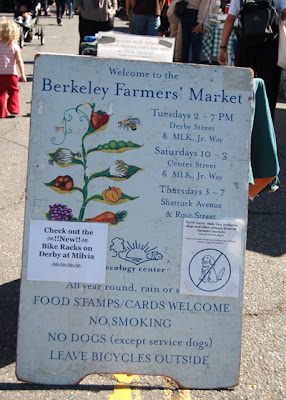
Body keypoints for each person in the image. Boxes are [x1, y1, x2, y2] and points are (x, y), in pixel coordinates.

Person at [218, 0, 286, 119]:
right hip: (270, 46)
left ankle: (243, 127)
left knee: (243, 90)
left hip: (245, 47)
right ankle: (266, 131)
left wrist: (222, 47)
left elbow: (230, 20)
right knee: (269, 92)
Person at [0, 18, 26, 118]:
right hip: (11, 75)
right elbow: (19, 60)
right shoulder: (15, 46)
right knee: (13, 91)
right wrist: (22, 74)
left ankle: (1, 112)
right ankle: (13, 108)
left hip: (0, 75)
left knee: (1, 93)